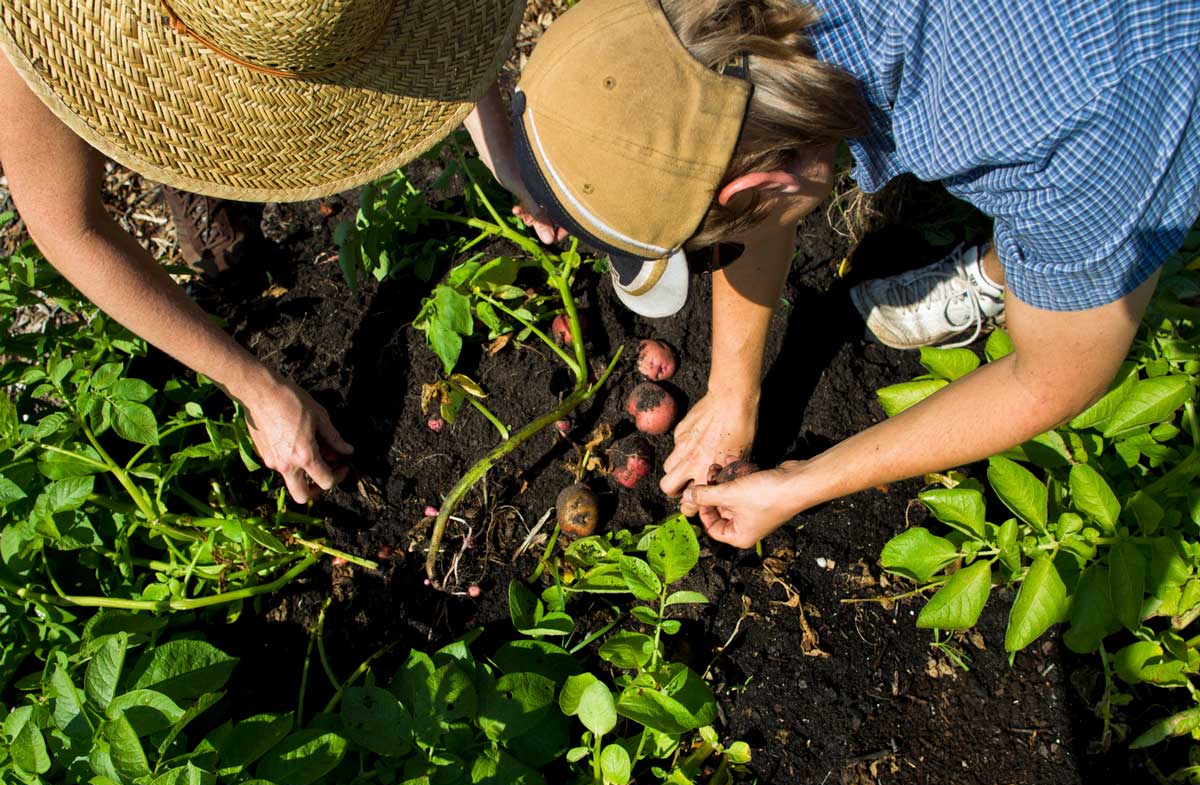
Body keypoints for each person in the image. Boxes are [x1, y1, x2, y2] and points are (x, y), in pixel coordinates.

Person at [510, 0, 1200, 547]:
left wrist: (798, 485)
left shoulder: (1065, 129)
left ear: (765, 185)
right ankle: (1027, 263)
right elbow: (747, 143)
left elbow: (1053, 379)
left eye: (718, 232)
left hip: (1140, 60)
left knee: (1071, 260)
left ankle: (1036, 272)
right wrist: (731, 388)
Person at [0, 0, 554, 502]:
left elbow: (450, 32)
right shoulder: (43, 23)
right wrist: (253, 387)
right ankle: (187, 160)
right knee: (228, 259)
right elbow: (69, 229)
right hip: (169, 53)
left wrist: (503, 158)